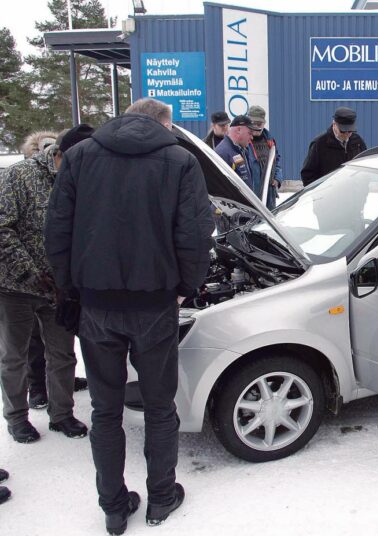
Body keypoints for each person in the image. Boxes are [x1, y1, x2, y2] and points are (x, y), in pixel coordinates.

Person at [45, 98, 215, 534]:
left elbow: (57, 228)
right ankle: (161, 496)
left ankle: (114, 508)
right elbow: (196, 232)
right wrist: (185, 287)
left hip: (97, 304)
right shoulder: (180, 160)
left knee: (105, 411)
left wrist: (69, 287)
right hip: (154, 303)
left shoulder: (80, 156)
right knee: (160, 407)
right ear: (163, 123)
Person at [0, 126, 92, 445]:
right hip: (16, 286)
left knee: (62, 354)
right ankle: (17, 418)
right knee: (15, 355)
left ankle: (62, 414)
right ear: (60, 154)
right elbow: (2, 229)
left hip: (58, 288)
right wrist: (30, 273)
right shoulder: (19, 176)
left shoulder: (76, 180)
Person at [216, 113, 280, 208]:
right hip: (232, 216)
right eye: (249, 133)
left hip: (245, 211)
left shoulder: (241, 150)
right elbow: (219, 191)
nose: (251, 138)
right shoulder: (223, 153)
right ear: (238, 130)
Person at [300, 107, 367, 186]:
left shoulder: (358, 142)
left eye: (350, 131)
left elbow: (365, 170)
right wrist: (319, 194)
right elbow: (307, 175)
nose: (347, 134)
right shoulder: (319, 144)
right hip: (328, 195)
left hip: (353, 194)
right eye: (343, 130)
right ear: (334, 124)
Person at [246, 105, 283, 209]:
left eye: (260, 123)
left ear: (264, 123)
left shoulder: (270, 140)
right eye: (254, 123)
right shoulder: (243, 142)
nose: (257, 126)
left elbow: (277, 160)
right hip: (252, 195)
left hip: (269, 195)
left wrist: (277, 178)